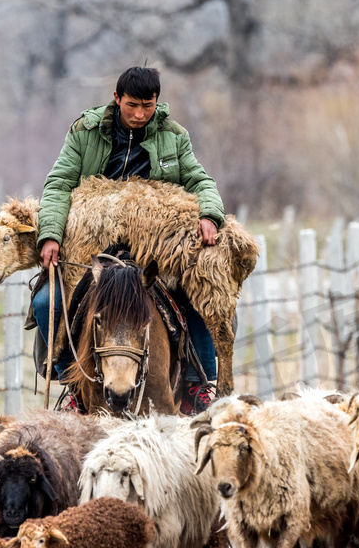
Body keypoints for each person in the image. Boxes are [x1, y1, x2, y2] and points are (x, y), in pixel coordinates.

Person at [32, 66, 224, 414]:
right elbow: (59, 184)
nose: (139, 114)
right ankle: (72, 382)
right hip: (93, 247)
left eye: (147, 106)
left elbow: (200, 180)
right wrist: (51, 235)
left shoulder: (173, 136)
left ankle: (199, 383)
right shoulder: (84, 132)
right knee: (47, 302)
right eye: (132, 105)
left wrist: (210, 214)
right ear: (117, 98)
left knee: (201, 294)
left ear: (156, 102)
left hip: (154, 248)